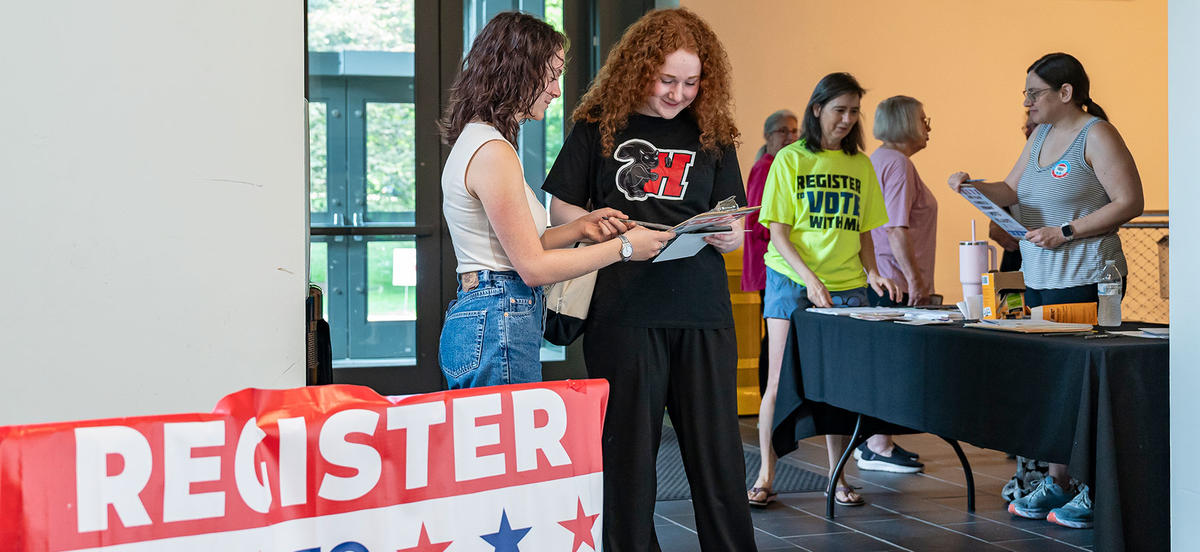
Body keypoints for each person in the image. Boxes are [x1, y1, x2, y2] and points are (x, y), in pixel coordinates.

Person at [542, 8, 756, 550]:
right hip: (623, 311)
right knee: (628, 455)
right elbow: (561, 211)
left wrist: (730, 234)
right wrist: (597, 224)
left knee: (717, 457)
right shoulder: (598, 127)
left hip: (702, 310)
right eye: (667, 80)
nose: (679, 93)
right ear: (639, 70)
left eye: (691, 82)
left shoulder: (711, 132)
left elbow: (728, 212)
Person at [948, 52, 1144, 529]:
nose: (1027, 101)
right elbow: (1012, 191)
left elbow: (1131, 201)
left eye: (1034, 92)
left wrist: (1067, 231)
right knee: (1055, 387)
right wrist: (972, 186)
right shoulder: (1039, 137)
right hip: (1041, 279)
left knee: (1083, 388)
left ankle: (1095, 488)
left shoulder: (1096, 134)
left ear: (1065, 92)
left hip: (1087, 276)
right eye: (1026, 93)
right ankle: (1059, 483)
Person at [437, 12, 673, 390]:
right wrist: (625, 247)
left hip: (489, 311)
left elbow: (518, 248)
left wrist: (581, 227)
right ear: (517, 72)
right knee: (510, 448)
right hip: (499, 313)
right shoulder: (492, 151)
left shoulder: (481, 140)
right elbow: (532, 267)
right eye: (551, 76)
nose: (556, 90)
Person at [750, 72, 899, 509]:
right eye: (840, 110)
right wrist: (810, 280)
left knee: (838, 385)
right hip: (791, 279)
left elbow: (865, 232)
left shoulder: (860, 164)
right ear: (818, 110)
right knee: (778, 379)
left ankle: (836, 477)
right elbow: (778, 234)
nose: (848, 120)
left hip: (848, 284)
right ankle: (765, 474)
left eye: (854, 111)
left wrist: (872, 273)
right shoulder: (791, 160)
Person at [849, 95, 939, 474]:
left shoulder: (879, 160)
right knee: (894, 365)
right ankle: (877, 445)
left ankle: (875, 441)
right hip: (898, 284)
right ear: (905, 122)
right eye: (923, 118)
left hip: (882, 278)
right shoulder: (899, 165)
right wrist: (917, 281)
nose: (929, 125)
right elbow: (896, 229)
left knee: (883, 363)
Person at [745, 110, 799, 394]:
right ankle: (772, 396)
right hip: (770, 264)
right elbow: (757, 219)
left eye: (794, 131)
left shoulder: (785, 164)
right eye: (783, 131)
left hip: (780, 261)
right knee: (775, 337)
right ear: (768, 136)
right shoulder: (766, 166)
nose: (790, 137)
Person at [989, 110, 1039, 272]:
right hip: (1017, 262)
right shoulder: (1026, 166)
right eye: (1027, 128)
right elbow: (1008, 199)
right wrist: (996, 225)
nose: (1030, 133)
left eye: (1036, 127)